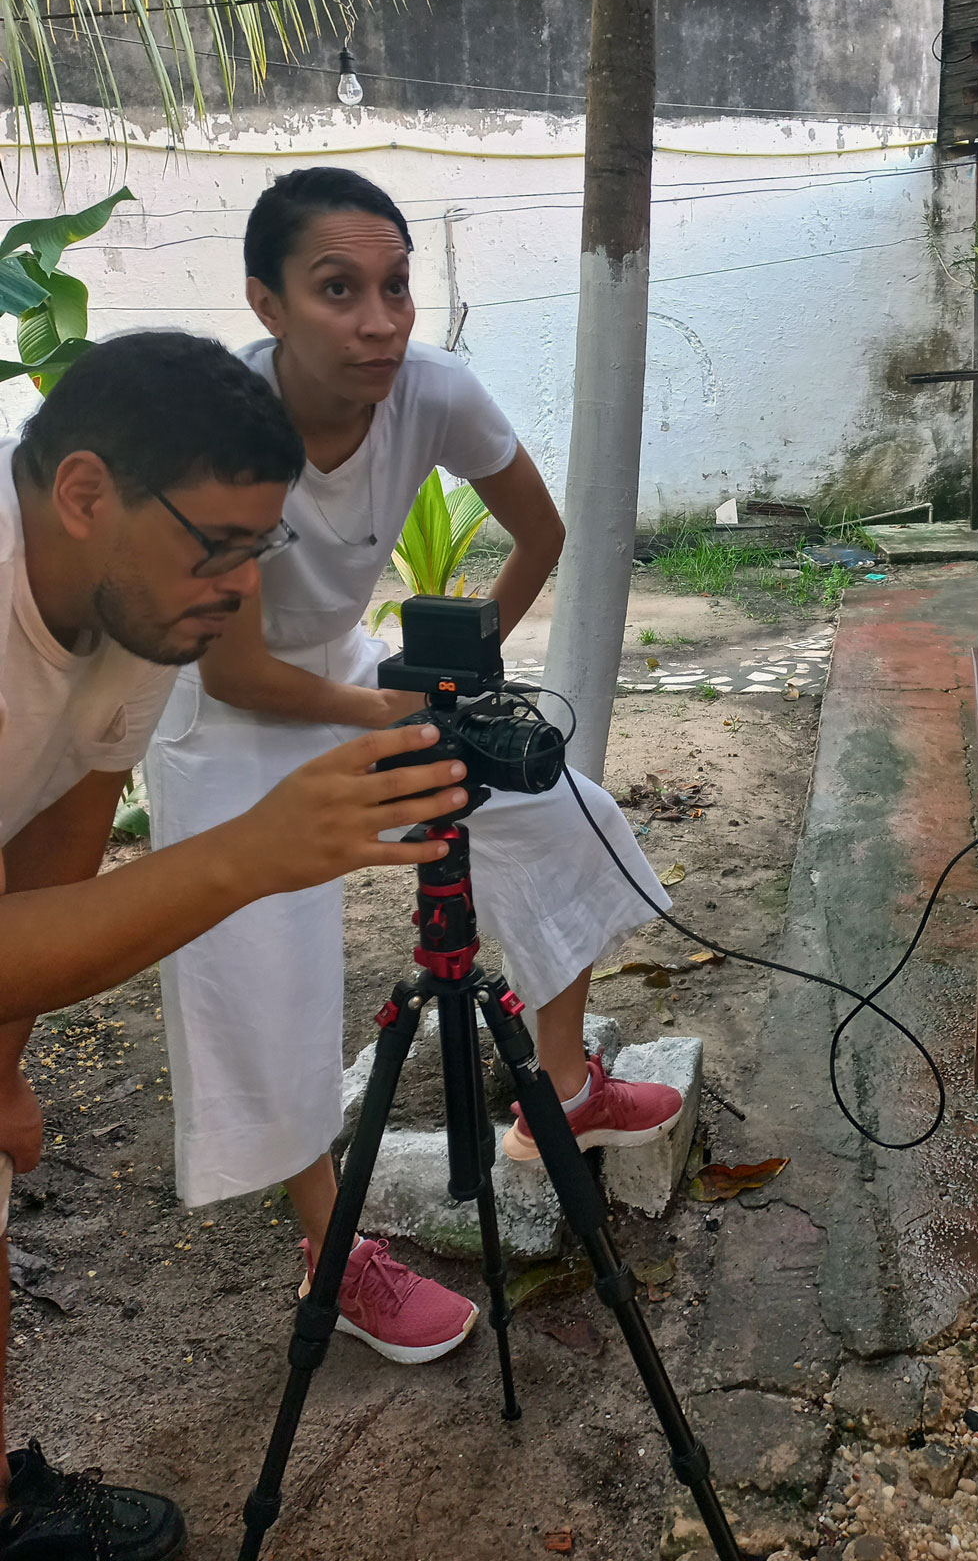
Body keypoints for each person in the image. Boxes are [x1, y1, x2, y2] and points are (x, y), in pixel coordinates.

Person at [145, 167, 684, 1367]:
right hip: (213, 707)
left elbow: (540, 534)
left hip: (342, 667)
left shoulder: (431, 390)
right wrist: (394, 714)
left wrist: (460, 669)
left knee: (559, 811)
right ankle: (332, 1256)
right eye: (338, 288)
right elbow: (236, 675)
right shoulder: (219, 431)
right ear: (267, 302)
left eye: (395, 285)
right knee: (266, 957)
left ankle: (561, 1096)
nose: (380, 319)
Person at [0, 332, 475, 1560]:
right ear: (85, 494)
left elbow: (53, 859)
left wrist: (1, 1073)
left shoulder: (141, 614)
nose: (235, 593)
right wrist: (250, 854)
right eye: (214, 549)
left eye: (253, 552)